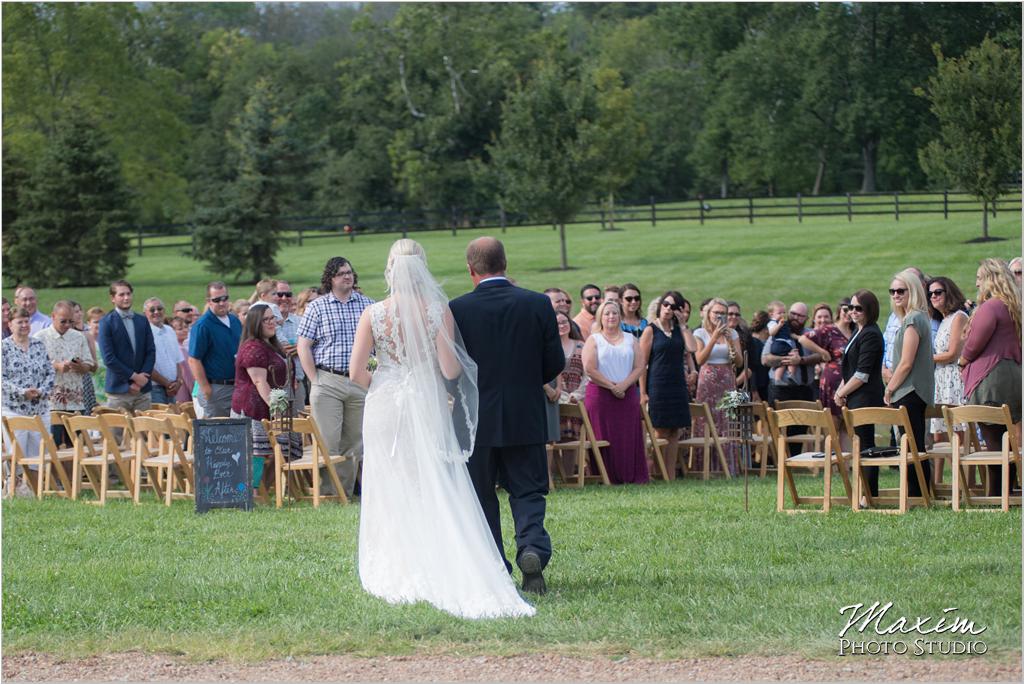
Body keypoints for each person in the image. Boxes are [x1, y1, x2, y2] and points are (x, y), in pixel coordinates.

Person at [348, 239, 534, 619]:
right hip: (426, 401)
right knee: (432, 481)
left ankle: (395, 562)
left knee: (390, 482)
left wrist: (387, 384)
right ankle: (437, 554)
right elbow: (450, 370)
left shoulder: (373, 313)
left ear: (389, 267)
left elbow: (355, 373)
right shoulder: (436, 311)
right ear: (422, 266)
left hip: (384, 405)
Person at [449, 237, 564, 596]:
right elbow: (554, 363)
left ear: (471, 270)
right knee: (528, 490)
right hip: (525, 414)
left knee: (481, 496)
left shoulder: (457, 309)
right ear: (505, 263)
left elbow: (450, 369)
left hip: (474, 421)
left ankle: (496, 567)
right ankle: (531, 548)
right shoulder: (537, 303)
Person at [297, 257, 373, 499]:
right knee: (329, 441)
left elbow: (377, 347)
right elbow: (303, 346)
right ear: (331, 278)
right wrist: (315, 380)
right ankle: (329, 494)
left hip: (359, 381)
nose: (347, 276)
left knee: (354, 443)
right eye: (341, 273)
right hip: (327, 379)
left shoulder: (367, 306)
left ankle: (346, 495)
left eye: (350, 272)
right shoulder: (317, 307)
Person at [958, 258, 1022, 496]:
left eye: (979, 278)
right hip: (1013, 375)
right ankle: (1009, 490)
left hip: (991, 379)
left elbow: (975, 343)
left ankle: (996, 495)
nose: (976, 284)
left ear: (990, 279)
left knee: (993, 441)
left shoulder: (991, 307)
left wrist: (962, 361)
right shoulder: (1013, 306)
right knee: (1008, 439)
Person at [231, 304, 301, 489]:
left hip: (271, 407)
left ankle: (262, 490)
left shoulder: (270, 344)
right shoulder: (253, 348)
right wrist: (277, 410)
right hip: (254, 408)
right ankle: (249, 492)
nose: (272, 323)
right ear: (255, 323)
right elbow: (259, 382)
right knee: (257, 452)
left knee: (281, 450)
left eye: (273, 318)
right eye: (266, 320)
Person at [582, 299, 648, 484]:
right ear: (600, 317)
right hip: (601, 395)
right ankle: (604, 476)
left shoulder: (630, 339)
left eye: (614, 313)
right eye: (607, 313)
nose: (611, 316)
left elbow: (639, 366)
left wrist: (624, 385)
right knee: (603, 435)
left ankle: (630, 475)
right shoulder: (594, 340)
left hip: (626, 395)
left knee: (626, 436)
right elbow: (589, 368)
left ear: (620, 316)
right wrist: (612, 386)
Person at [884, 269, 935, 496]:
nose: (895, 295)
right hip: (911, 391)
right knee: (912, 444)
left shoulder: (913, 318)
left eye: (901, 291)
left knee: (912, 446)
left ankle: (916, 494)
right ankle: (917, 493)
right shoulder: (915, 317)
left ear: (912, 291)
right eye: (892, 291)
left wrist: (890, 387)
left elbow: (906, 362)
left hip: (910, 391)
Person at [834, 290, 885, 498]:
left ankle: (868, 494)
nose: (853, 312)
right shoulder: (859, 331)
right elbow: (850, 368)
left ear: (869, 310)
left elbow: (862, 374)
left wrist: (841, 393)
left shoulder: (871, 333)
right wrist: (841, 390)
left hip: (865, 397)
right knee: (861, 444)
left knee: (866, 446)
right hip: (856, 396)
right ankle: (864, 492)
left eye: (858, 308)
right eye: (850, 308)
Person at [2, 306, 56, 492]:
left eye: (27, 321)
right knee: (16, 452)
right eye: (20, 322)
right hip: (14, 408)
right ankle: (13, 488)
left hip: (39, 408)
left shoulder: (38, 344)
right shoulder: (4, 347)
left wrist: (41, 390)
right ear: (10, 324)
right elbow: (2, 379)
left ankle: (34, 490)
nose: (24, 325)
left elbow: (50, 372)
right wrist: (22, 391)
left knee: (39, 452)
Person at [639, 291, 691, 479]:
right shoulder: (651, 330)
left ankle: (670, 474)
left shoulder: (679, 331)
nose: (668, 309)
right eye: (666, 304)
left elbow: (692, 348)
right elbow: (642, 364)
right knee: (660, 430)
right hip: (658, 384)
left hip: (677, 384)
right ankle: (657, 471)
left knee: (675, 430)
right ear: (660, 306)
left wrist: (683, 326)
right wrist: (643, 392)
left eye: (673, 306)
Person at [33, 301, 94, 445]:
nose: (67, 325)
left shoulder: (79, 337)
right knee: (52, 445)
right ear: (53, 316)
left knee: (75, 445)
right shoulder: (39, 338)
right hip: (51, 403)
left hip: (75, 402)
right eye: (63, 321)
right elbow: (33, 367)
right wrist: (55, 365)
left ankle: (73, 468)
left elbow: (90, 364)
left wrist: (80, 366)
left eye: (71, 321)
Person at [694, 298, 743, 475]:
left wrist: (729, 341)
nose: (720, 316)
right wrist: (714, 338)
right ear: (709, 313)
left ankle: (728, 467)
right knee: (707, 419)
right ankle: (706, 467)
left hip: (727, 379)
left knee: (727, 419)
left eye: (723, 313)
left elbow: (739, 361)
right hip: (707, 380)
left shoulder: (733, 333)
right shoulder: (700, 333)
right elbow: (700, 359)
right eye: (717, 313)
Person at [98, 280, 156, 414]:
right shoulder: (106, 323)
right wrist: (134, 378)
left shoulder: (142, 320)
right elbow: (109, 358)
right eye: (121, 294)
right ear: (113, 298)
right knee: (117, 434)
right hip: (118, 390)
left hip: (142, 390)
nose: (126, 298)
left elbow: (151, 352)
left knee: (145, 433)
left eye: (128, 294)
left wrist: (142, 379)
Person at [927, 277, 969, 458]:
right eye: (930, 294)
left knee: (959, 434)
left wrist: (925, 359)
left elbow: (953, 353)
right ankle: (938, 483)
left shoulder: (959, 317)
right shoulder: (944, 319)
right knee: (940, 436)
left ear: (949, 292)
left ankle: (964, 482)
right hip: (941, 378)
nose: (933, 297)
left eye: (938, 292)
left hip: (954, 377)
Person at [188, 282, 242, 418]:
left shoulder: (234, 321)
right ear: (209, 302)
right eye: (217, 300)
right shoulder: (203, 325)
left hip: (237, 386)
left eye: (225, 298)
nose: (222, 303)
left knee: (239, 432)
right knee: (219, 435)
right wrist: (206, 389)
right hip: (216, 387)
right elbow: (194, 359)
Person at [800, 303, 850, 434]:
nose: (849, 312)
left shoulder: (856, 330)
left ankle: (847, 453)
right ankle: (832, 453)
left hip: (851, 383)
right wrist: (822, 352)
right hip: (832, 383)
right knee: (832, 428)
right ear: (839, 312)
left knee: (849, 428)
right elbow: (803, 339)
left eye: (854, 309)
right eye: (845, 309)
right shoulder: (830, 330)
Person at [762, 302, 822, 405]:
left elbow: (821, 356)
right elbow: (765, 359)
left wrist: (801, 360)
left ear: (807, 318)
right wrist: (786, 360)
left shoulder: (811, 334)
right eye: (793, 314)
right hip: (780, 389)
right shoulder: (777, 331)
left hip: (805, 389)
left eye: (800, 316)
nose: (795, 317)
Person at [554, 311, 587, 476]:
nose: (561, 325)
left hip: (575, 397)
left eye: (564, 322)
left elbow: (588, 374)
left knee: (571, 437)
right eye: (557, 323)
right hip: (554, 397)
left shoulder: (581, 346)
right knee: (553, 438)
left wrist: (578, 394)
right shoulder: (549, 347)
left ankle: (567, 475)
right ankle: (553, 474)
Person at [274, 280, 306, 413]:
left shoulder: (300, 321)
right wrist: (300, 348)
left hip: (297, 383)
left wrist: (301, 348)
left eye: (288, 294)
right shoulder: (266, 323)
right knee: (277, 428)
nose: (284, 298)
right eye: (279, 294)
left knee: (298, 429)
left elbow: (311, 346)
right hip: (275, 385)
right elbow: (283, 350)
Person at [144, 297, 183, 405]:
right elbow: (146, 365)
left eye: (159, 309)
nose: (156, 312)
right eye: (152, 310)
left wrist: (179, 381)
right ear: (145, 313)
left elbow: (177, 360)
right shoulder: (144, 333)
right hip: (154, 388)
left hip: (173, 389)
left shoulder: (170, 330)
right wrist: (167, 384)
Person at [171, 316, 195, 404]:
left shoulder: (181, 348)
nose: (185, 330)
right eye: (180, 329)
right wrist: (194, 393)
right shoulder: (180, 350)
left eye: (186, 327)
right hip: (183, 391)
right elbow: (187, 374)